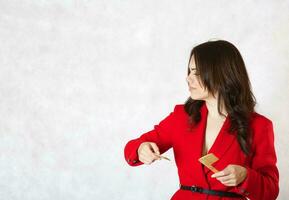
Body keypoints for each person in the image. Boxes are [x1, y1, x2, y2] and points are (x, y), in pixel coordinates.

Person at [123, 40, 279, 200]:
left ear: (222, 74)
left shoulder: (259, 126)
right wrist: (141, 149)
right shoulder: (181, 117)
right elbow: (132, 148)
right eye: (189, 71)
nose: (188, 78)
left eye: (196, 73)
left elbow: (271, 191)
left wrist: (246, 176)